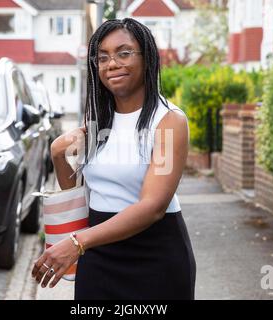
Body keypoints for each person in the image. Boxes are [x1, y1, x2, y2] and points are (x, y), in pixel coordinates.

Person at [32, 18, 196, 300]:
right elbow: (79, 195)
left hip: (154, 258)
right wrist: (58, 154)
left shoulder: (168, 121)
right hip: (98, 257)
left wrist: (77, 242)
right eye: (103, 57)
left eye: (124, 53)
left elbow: (153, 206)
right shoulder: (98, 121)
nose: (112, 64)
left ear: (147, 58)